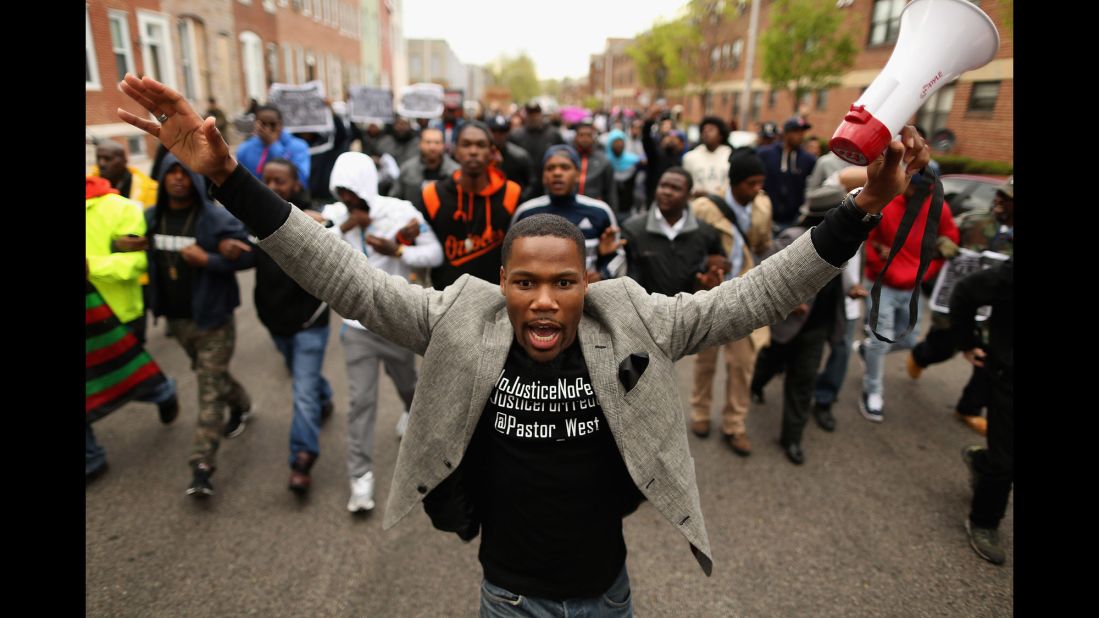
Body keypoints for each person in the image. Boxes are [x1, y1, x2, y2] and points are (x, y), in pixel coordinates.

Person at [117, 71, 927, 609]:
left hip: (606, 593)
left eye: (563, 283)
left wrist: (860, 213)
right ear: (499, 281)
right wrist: (228, 179)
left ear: (589, 282)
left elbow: (759, 291)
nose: (543, 304)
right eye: (524, 282)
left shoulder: (635, 316)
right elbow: (343, 275)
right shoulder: (456, 316)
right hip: (504, 594)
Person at [315, 151, 444, 512]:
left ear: (367, 186)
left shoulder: (400, 210)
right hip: (356, 327)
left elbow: (434, 254)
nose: (346, 198)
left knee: (411, 391)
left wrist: (398, 249)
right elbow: (311, 244)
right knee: (360, 403)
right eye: (340, 191)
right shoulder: (336, 215)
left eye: (351, 191)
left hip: (396, 323)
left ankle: (416, 426)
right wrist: (344, 226)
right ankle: (361, 479)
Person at [145, 153, 257, 497]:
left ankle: (202, 464)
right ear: (162, 179)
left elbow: (252, 254)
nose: (178, 178)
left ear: (194, 179)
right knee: (212, 374)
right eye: (171, 173)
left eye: (184, 173)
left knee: (208, 388)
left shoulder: (215, 219)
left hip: (213, 319)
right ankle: (241, 402)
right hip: (177, 320)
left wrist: (210, 258)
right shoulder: (152, 218)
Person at [750, 185, 854, 465]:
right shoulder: (792, 238)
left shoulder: (845, 239)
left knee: (803, 381)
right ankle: (755, 386)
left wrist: (850, 290)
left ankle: (792, 439)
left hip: (818, 326)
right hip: (790, 322)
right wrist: (789, 300)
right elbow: (764, 271)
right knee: (770, 360)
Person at [85, 175, 179, 482]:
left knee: (126, 380)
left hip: (117, 317)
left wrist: (92, 266)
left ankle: (162, 391)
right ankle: (91, 455)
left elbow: (138, 263)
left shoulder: (120, 208)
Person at [254, 158, 336, 494]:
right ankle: (325, 396)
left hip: (309, 322)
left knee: (302, 391)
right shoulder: (252, 213)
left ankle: (302, 457)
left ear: (296, 184)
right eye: (268, 181)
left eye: (281, 181)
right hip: (275, 320)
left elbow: (334, 230)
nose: (274, 187)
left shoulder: (313, 215)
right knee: (307, 380)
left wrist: (324, 222)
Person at [908, 176, 1013, 436]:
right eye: (999, 193)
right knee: (943, 347)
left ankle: (969, 408)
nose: (998, 198)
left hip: (996, 317)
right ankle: (921, 356)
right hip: (957, 304)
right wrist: (943, 244)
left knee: (988, 363)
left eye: (1007, 198)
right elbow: (935, 237)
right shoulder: (974, 220)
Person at [687, 152, 772, 455]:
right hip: (712, 296)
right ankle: (700, 413)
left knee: (742, 365)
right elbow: (689, 248)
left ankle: (734, 425)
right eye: (751, 184)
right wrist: (706, 262)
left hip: (746, 297)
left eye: (761, 184)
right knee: (705, 360)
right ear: (734, 183)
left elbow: (762, 246)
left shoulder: (762, 207)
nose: (756, 190)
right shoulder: (704, 208)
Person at [858, 172, 959, 422]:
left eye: (923, 188)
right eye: (912, 186)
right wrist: (878, 264)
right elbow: (866, 236)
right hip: (883, 284)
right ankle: (873, 393)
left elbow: (951, 243)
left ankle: (868, 350)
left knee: (910, 339)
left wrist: (926, 272)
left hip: (913, 288)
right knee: (880, 340)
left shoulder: (938, 208)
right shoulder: (889, 199)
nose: (915, 192)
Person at [953, 259, 1013, 566]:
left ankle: (980, 461)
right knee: (1006, 462)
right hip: (1007, 380)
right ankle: (984, 522)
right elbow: (965, 291)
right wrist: (968, 342)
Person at [419, 121, 522, 289]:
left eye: (480, 145)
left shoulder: (511, 193)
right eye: (466, 145)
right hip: (446, 298)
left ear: (491, 151)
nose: (473, 151)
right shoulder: (432, 194)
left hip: (496, 296)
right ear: (454, 151)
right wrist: (404, 237)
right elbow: (421, 241)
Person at [511, 145, 626, 281]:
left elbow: (619, 255)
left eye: (565, 167)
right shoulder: (526, 212)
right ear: (543, 177)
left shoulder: (600, 211)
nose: (557, 173)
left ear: (578, 175)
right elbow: (510, 256)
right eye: (550, 168)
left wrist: (602, 274)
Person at [621, 168, 727, 300]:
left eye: (675, 188)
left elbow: (720, 263)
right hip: (646, 313)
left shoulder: (705, 232)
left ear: (689, 196)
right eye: (663, 186)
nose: (666, 192)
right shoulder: (633, 230)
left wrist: (708, 278)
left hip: (690, 312)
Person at [758, 117, 817, 231]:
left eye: (802, 132)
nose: (800, 135)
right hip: (767, 219)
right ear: (786, 133)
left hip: (794, 221)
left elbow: (811, 187)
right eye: (796, 131)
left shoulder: (808, 160)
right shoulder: (765, 154)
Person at [236, 105, 312, 188]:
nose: (267, 129)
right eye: (263, 124)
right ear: (256, 124)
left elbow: (301, 179)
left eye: (272, 124)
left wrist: (273, 144)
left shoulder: (298, 146)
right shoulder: (245, 148)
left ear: (281, 124)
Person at [390, 127, 460, 208]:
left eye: (437, 142)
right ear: (420, 144)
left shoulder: (455, 171)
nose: (432, 147)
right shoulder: (407, 169)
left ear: (443, 145)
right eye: (428, 142)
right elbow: (394, 199)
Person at [508, 102, 565, 197]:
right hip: (524, 186)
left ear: (541, 114)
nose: (534, 117)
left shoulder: (553, 134)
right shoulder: (516, 135)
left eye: (536, 113)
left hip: (547, 186)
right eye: (531, 114)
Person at [89, 141, 159, 208]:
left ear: (124, 160)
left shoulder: (149, 188)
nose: (101, 164)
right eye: (98, 158)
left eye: (108, 158)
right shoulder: (89, 185)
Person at [641, 107, 686, 209]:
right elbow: (646, 138)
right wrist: (649, 120)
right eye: (666, 137)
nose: (670, 139)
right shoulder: (655, 155)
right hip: (655, 203)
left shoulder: (683, 159)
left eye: (673, 137)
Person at [572, 121, 618, 211]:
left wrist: (612, 215)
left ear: (593, 137)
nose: (585, 138)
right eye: (581, 135)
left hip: (594, 209)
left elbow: (611, 191)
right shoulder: (568, 159)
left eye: (588, 135)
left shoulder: (604, 161)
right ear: (576, 137)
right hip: (571, 208)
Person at [682, 116, 733, 198]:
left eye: (711, 130)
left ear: (721, 135)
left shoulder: (731, 156)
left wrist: (711, 195)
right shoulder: (690, 157)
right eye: (704, 130)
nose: (706, 132)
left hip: (723, 206)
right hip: (697, 205)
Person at [488, 115, 535, 202]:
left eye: (502, 132)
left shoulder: (520, 156)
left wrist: (518, 200)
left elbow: (531, 183)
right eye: (494, 131)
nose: (497, 136)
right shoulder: (482, 156)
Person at [604, 128, 642, 221]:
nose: (619, 145)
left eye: (621, 142)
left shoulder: (634, 161)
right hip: (608, 209)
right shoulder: (604, 163)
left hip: (627, 208)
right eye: (615, 142)